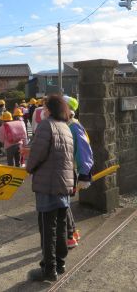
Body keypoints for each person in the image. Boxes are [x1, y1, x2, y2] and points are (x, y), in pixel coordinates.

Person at [23, 95, 74, 282]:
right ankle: (60, 264)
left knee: (47, 228)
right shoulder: (65, 127)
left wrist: (29, 168)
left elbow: (37, 153)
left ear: (50, 109)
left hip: (48, 184)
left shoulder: (47, 125)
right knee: (60, 227)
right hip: (64, 184)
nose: (43, 110)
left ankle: (48, 270)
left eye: (44, 107)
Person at [63, 95, 93, 249]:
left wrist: (84, 173)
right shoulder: (66, 124)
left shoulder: (73, 126)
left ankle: (69, 237)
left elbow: (83, 150)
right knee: (64, 204)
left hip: (68, 170)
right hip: (65, 169)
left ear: (68, 109)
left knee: (62, 204)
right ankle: (72, 232)